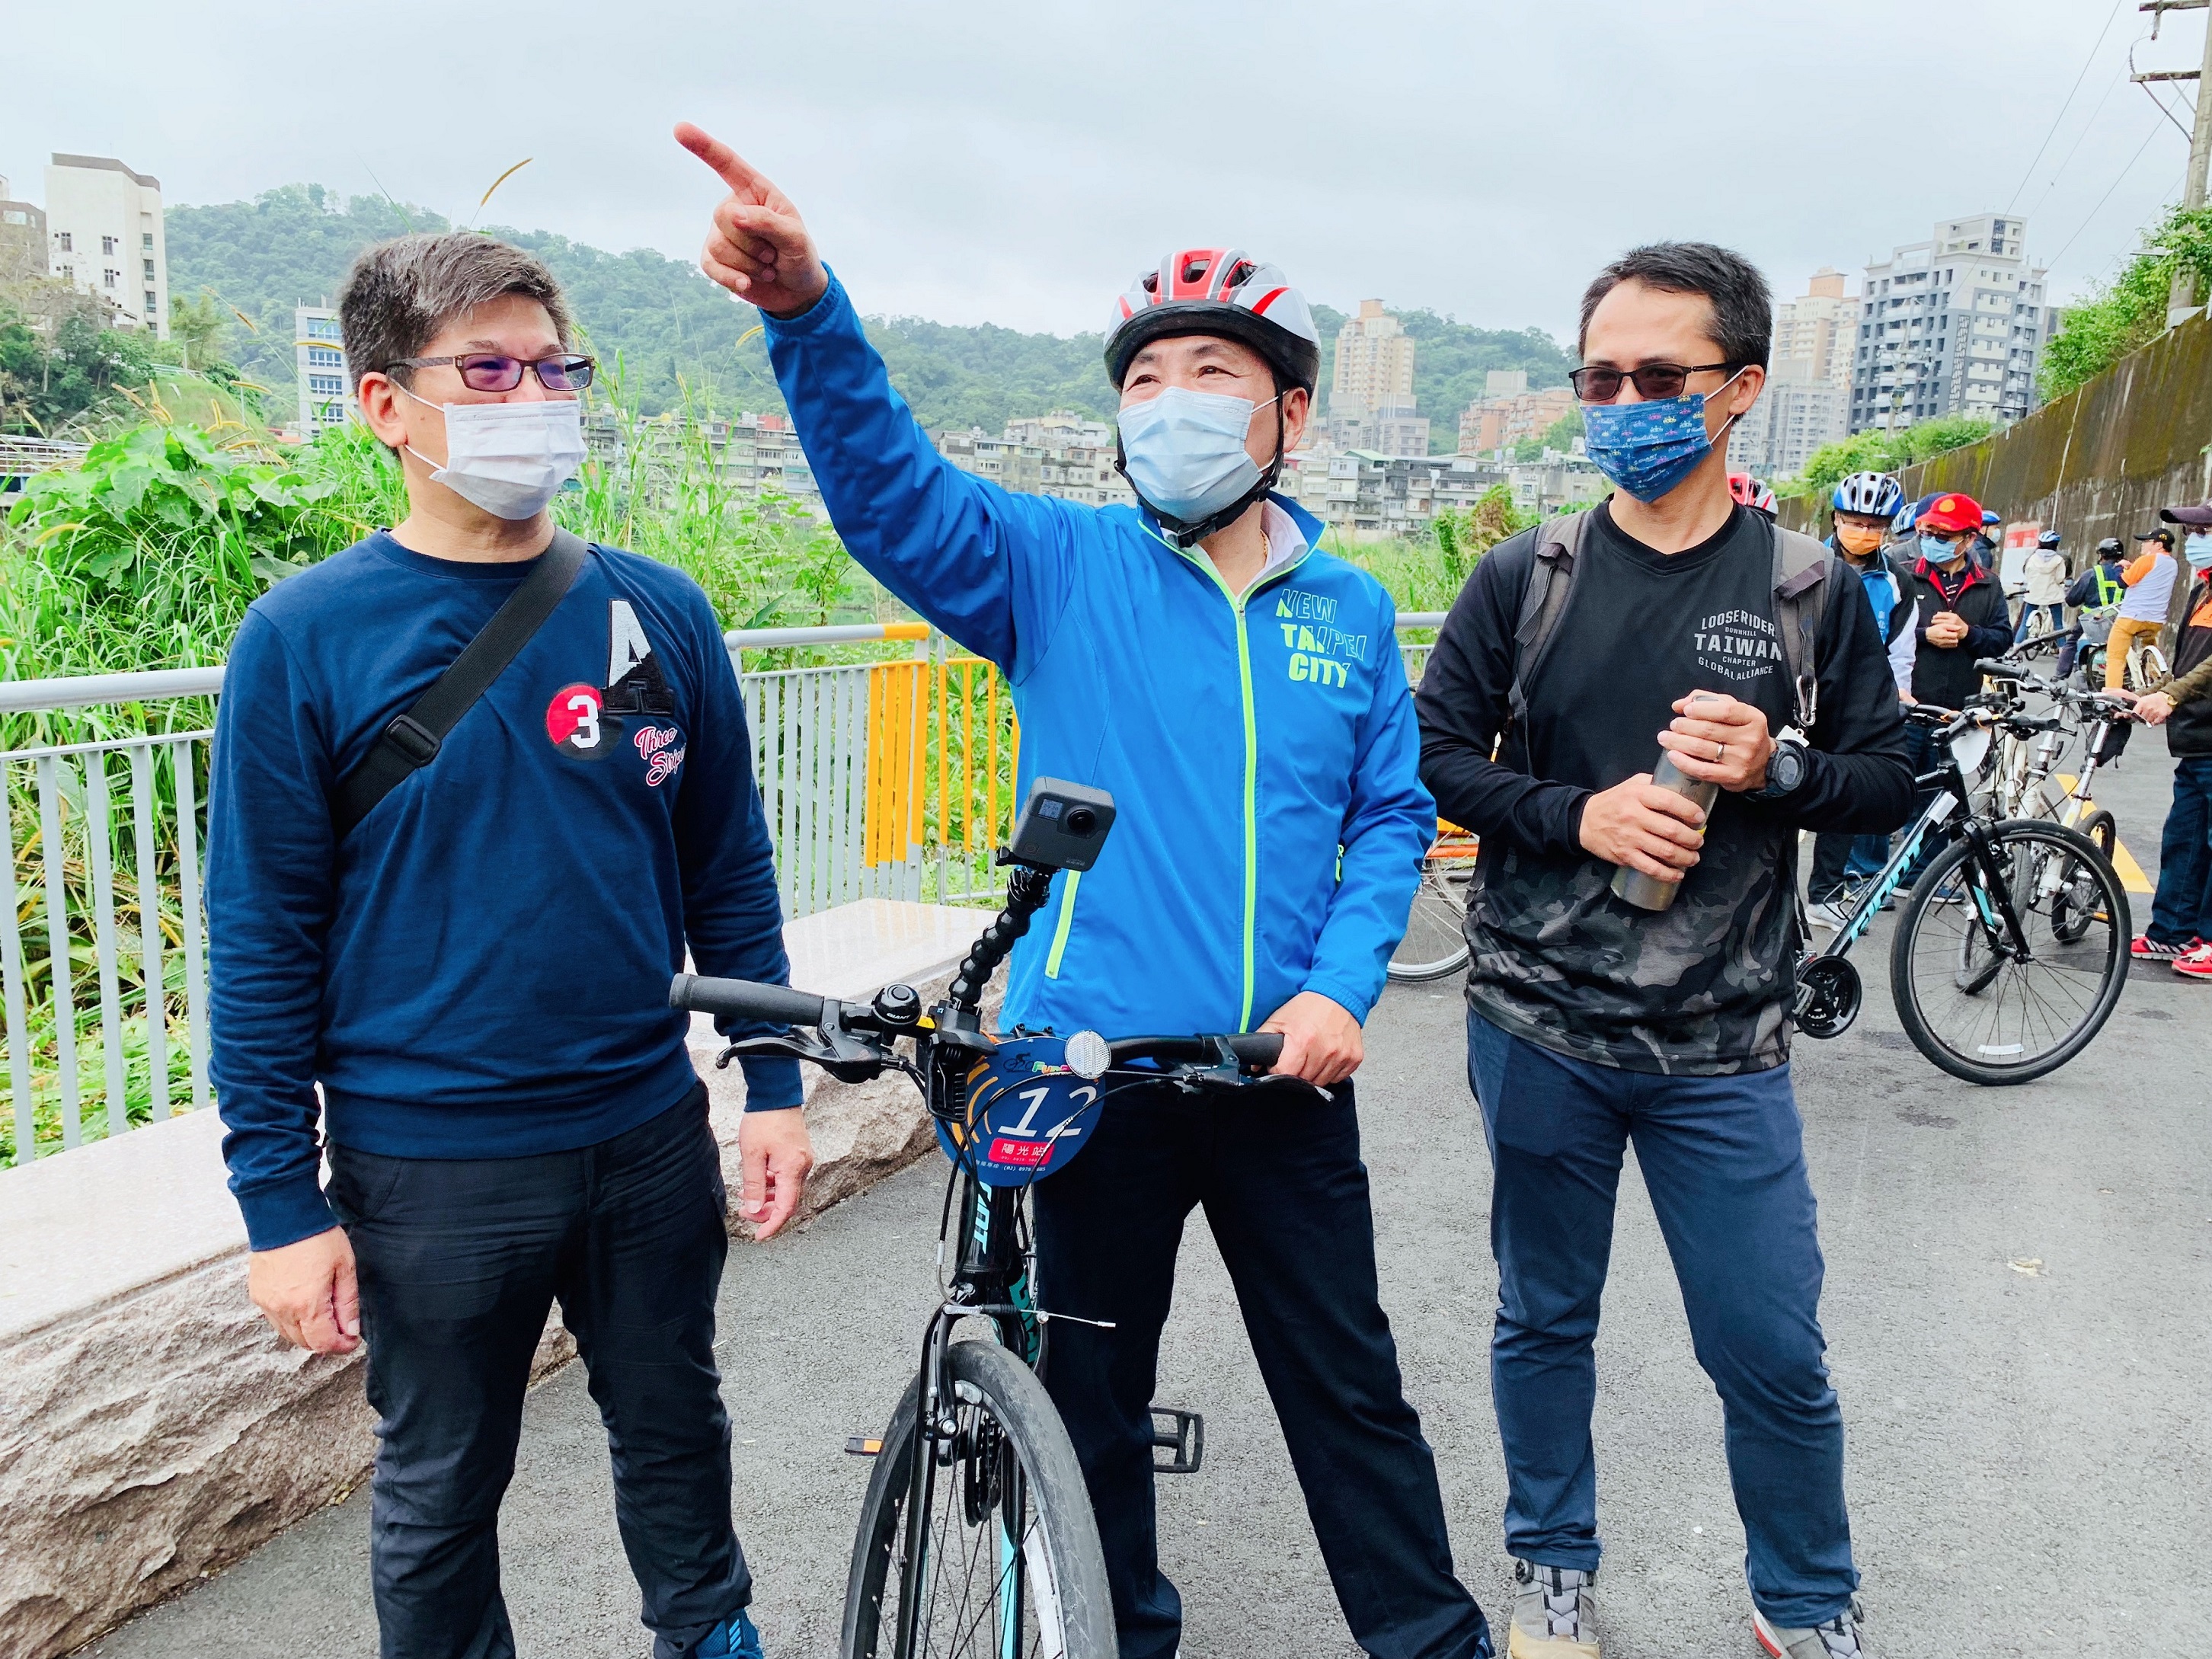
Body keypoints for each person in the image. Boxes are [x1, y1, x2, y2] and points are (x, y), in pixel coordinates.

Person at [674, 126, 1493, 1659]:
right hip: (1087, 1072)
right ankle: (1117, 1639)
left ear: (1291, 414)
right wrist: (806, 313)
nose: (1172, 403)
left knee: (1352, 1396)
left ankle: (1431, 1643)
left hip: (1278, 1076)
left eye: (1213, 373)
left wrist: (1340, 987)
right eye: (1145, 376)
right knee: (1092, 1404)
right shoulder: (1056, 566)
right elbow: (891, 497)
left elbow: (1391, 818)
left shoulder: (1351, 610)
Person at [206, 232, 812, 1659]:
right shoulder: (305, 635)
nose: (531, 393)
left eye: (552, 367)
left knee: (676, 1432)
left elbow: (724, 859)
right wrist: (279, 1208)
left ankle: (709, 1637)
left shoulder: (657, 608)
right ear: (383, 405)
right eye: (486, 368)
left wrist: (771, 1080)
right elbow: (258, 939)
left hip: (646, 1132)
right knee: (438, 1488)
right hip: (431, 1161)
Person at [1415, 242, 1913, 1659]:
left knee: (1767, 1342)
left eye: (1655, 376)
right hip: (1534, 1023)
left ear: (1737, 388)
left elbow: (1888, 777)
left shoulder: (1812, 589)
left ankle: (1802, 1597)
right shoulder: (1528, 575)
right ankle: (1549, 1565)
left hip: (1722, 1046)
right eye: (1597, 377)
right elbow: (1440, 755)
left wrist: (1776, 767)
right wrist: (1579, 812)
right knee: (1542, 1316)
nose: (1620, 400)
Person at [1807, 471, 1916, 928]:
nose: (1865, 532)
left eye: (1875, 525)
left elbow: (1901, 647)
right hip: (1801, 690)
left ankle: (1825, 892)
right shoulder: (1805, 563)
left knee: (1845, 794)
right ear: (1836, 519)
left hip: (1857, 700)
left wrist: (1895, 700)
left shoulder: (1898, 583)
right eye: (1855, 521)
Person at [1894, 491, 2015, 889]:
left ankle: (1924, 876)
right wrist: (1924, 635)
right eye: (1927, 530)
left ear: (1968, 539)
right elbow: (1878, 632)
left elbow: (2001, 640)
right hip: (1909, 702)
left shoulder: (1988, 585)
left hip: (1957, 709)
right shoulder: (1901, 572)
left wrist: (1969, 634)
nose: (1931, 538)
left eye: (1944, 534)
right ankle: (1876, 873)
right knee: (1894, 788)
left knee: (1942, 794)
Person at [2123, 503, 2212, 970]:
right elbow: (2186, 667)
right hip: (2197, 741)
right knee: (2185, 839)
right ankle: (2172, 933)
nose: (2196, 537)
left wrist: (2171, 697)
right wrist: (2139, 696)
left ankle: (2210, 943)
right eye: (2193, 530)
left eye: (2204, 530)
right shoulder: (2203, 590)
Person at [2108, 526, 2181, 689]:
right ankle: (2155, 683)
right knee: (2150, 650)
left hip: (2131, 618)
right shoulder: (2172, 564)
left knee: (2115, 659)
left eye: (2147, 541)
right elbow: (2149, 577)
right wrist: (2132, 567)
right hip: (2155, 620)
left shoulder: (2147, 560)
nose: (2143, 545)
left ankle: (2112, 696)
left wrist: (2120, 567)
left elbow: (2123, 582)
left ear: (2158, 545)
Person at [2060, 537, 2127, 679]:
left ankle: (2060, 676)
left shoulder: (2091, 574)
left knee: (2071, 642)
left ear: (2101, 555)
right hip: (2119, 620)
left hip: (2092, 621)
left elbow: (2072, 600)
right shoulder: (2128, 573)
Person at [2014, 529, 2069, 643]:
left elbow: (2027, 574)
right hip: (2053, 596)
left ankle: (2016, 647)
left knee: (2024, 623)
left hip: (2033, 595)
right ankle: (2063, 651)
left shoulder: (2032, 559)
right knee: (2058, 625)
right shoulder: (2059, 560)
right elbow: (2060, 578)